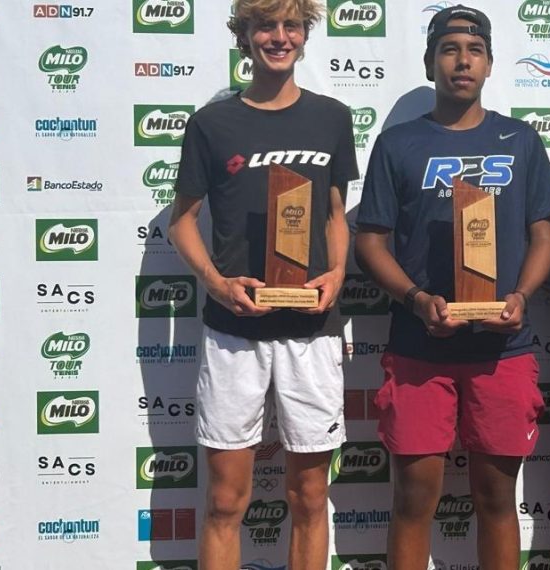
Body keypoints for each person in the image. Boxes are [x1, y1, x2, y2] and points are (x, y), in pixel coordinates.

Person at [352, 6, 550, 570]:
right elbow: (370, 241)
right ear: (430, 64)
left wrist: (521, 297)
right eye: (449, 50)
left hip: (502, 350)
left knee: (496, 500)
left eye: (474, 50)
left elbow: (544, 233)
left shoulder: (520, 140)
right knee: (413, 499)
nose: (462, 61)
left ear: (490, 64)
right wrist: (416, 299)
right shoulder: (397, 143)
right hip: (419, 349)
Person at [167, 1, 355, 568]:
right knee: (226, 500)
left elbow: (335, 214)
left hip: (311, 330)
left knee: (310, 497)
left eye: (291, 25)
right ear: (244, 36)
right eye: (265, 25)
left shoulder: (332, 117)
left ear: (305, 34)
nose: (279, 36)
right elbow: (181, 222)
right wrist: (215, 282)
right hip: (234, 332)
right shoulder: (211, 124)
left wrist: (338, 273)